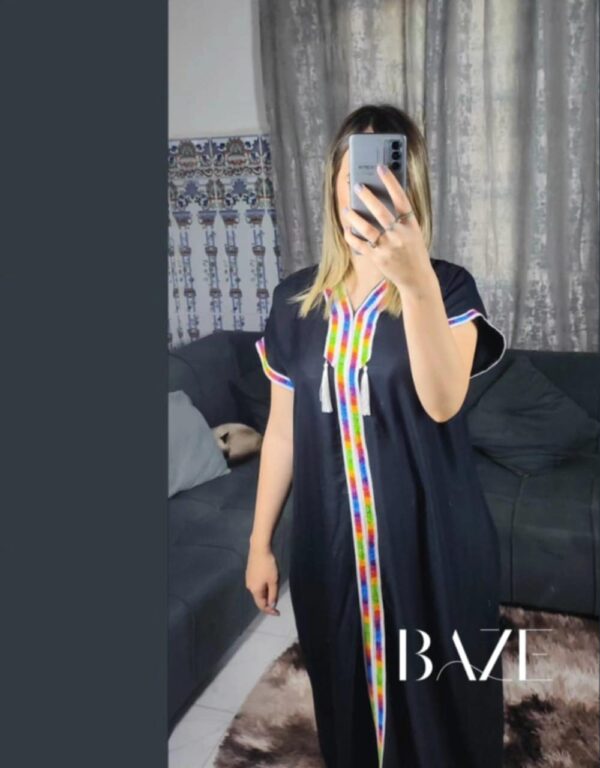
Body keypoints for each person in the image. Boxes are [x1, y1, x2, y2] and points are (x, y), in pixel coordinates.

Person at [245, 103, 507, 768]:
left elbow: (443, 402)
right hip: (330, 546)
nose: (365, 189)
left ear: (409, 185)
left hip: (432, 543)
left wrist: (413, 282)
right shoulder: (295, 302)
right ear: (333, 182)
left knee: (447, 702)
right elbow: (282, 435)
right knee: (345, 698)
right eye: (353, 172)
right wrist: (260, 543)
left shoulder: (447, 286)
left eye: (386, 172)